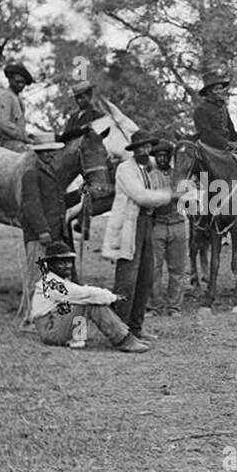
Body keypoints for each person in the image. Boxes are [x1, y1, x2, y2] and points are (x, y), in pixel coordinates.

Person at [101, 130, 175, 340]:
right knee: (127, 278)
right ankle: (119, 330)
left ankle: (136, 327)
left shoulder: (148, 167)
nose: (145, 150)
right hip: (129, 226)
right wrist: (171, 195)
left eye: (147, 146)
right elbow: (141, 196)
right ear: (134, 150)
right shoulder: (125, 169)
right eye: (140, 147)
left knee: (146, 277)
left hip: (146, 224)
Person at [30, 241, 149, 352]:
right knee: (89, 302)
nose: (68, 266)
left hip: (56, 324)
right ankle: (123, 339)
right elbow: (84, 293)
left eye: (69, 262)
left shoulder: (58, 280)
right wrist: (112, 297)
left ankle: (78, 339)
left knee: (84, 302)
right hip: (50, 330)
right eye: (62, 263)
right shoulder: (51, 283)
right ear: (50, 265)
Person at [16, 139, 68, 325]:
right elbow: (32, 205)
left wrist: (80, 195)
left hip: (52, 233)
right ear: (38, 152)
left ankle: (43, 317)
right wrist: (42, 231)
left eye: (52, 151)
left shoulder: (50, 172)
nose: (50, 154)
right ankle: (29, 319)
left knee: (48, 277)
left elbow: (57, 202)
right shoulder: (31, 174)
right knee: (36, 277)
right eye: (46, 151)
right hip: (40, 235)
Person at [149, 139, 189, 315]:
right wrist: (172, 195)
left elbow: (187, 195)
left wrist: (166, 196)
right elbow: (149, 198)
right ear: (155, 157)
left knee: (177, 268)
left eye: (166, 155)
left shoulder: (178, 175)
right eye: (159, 156)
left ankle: (174, 306)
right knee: (154, 268)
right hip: (157, 223)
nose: (162, 159)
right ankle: (154, 305)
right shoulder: (150, 175)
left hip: (177, 223)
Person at [0, 61, 35, 151]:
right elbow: (3, 124)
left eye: (23, 83)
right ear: (10, 80)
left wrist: (28, 135)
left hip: (16, 141)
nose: (21, 85)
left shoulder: (17, 98)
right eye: (17, 82)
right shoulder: (6, 96)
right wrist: (24, 136)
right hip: (5, 143)